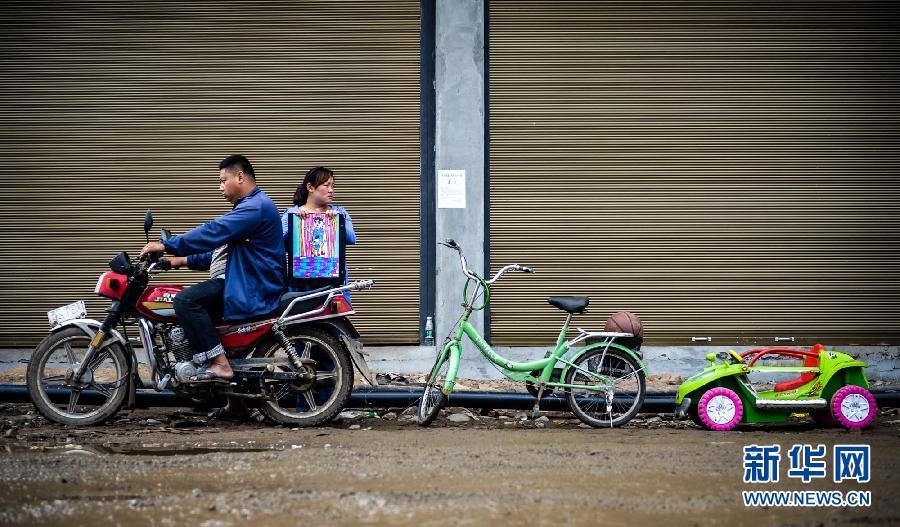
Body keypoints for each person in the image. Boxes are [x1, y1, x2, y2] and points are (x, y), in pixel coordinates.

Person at [140, 154, 284, 387]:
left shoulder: (254, 207)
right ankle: (235, 403)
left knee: (185, 301)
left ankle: (219, 364)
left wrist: (169, 244)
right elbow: (218, 253)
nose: (220, 188)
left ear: (240, 176)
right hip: (244, 280)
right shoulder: (250, 208)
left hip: (251, 285)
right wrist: (175, 261)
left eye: (222, 180)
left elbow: (213, 232)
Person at [282, 166, 356, 298]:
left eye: (333, 185)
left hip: (333, 287)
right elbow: (280, 244)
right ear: (310, 187)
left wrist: (338, 221)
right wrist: (297, 223)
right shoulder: (292, 213)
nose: (331, 190)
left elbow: (352, 238)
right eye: (326, 185)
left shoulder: (340, 212)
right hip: (300, 288)